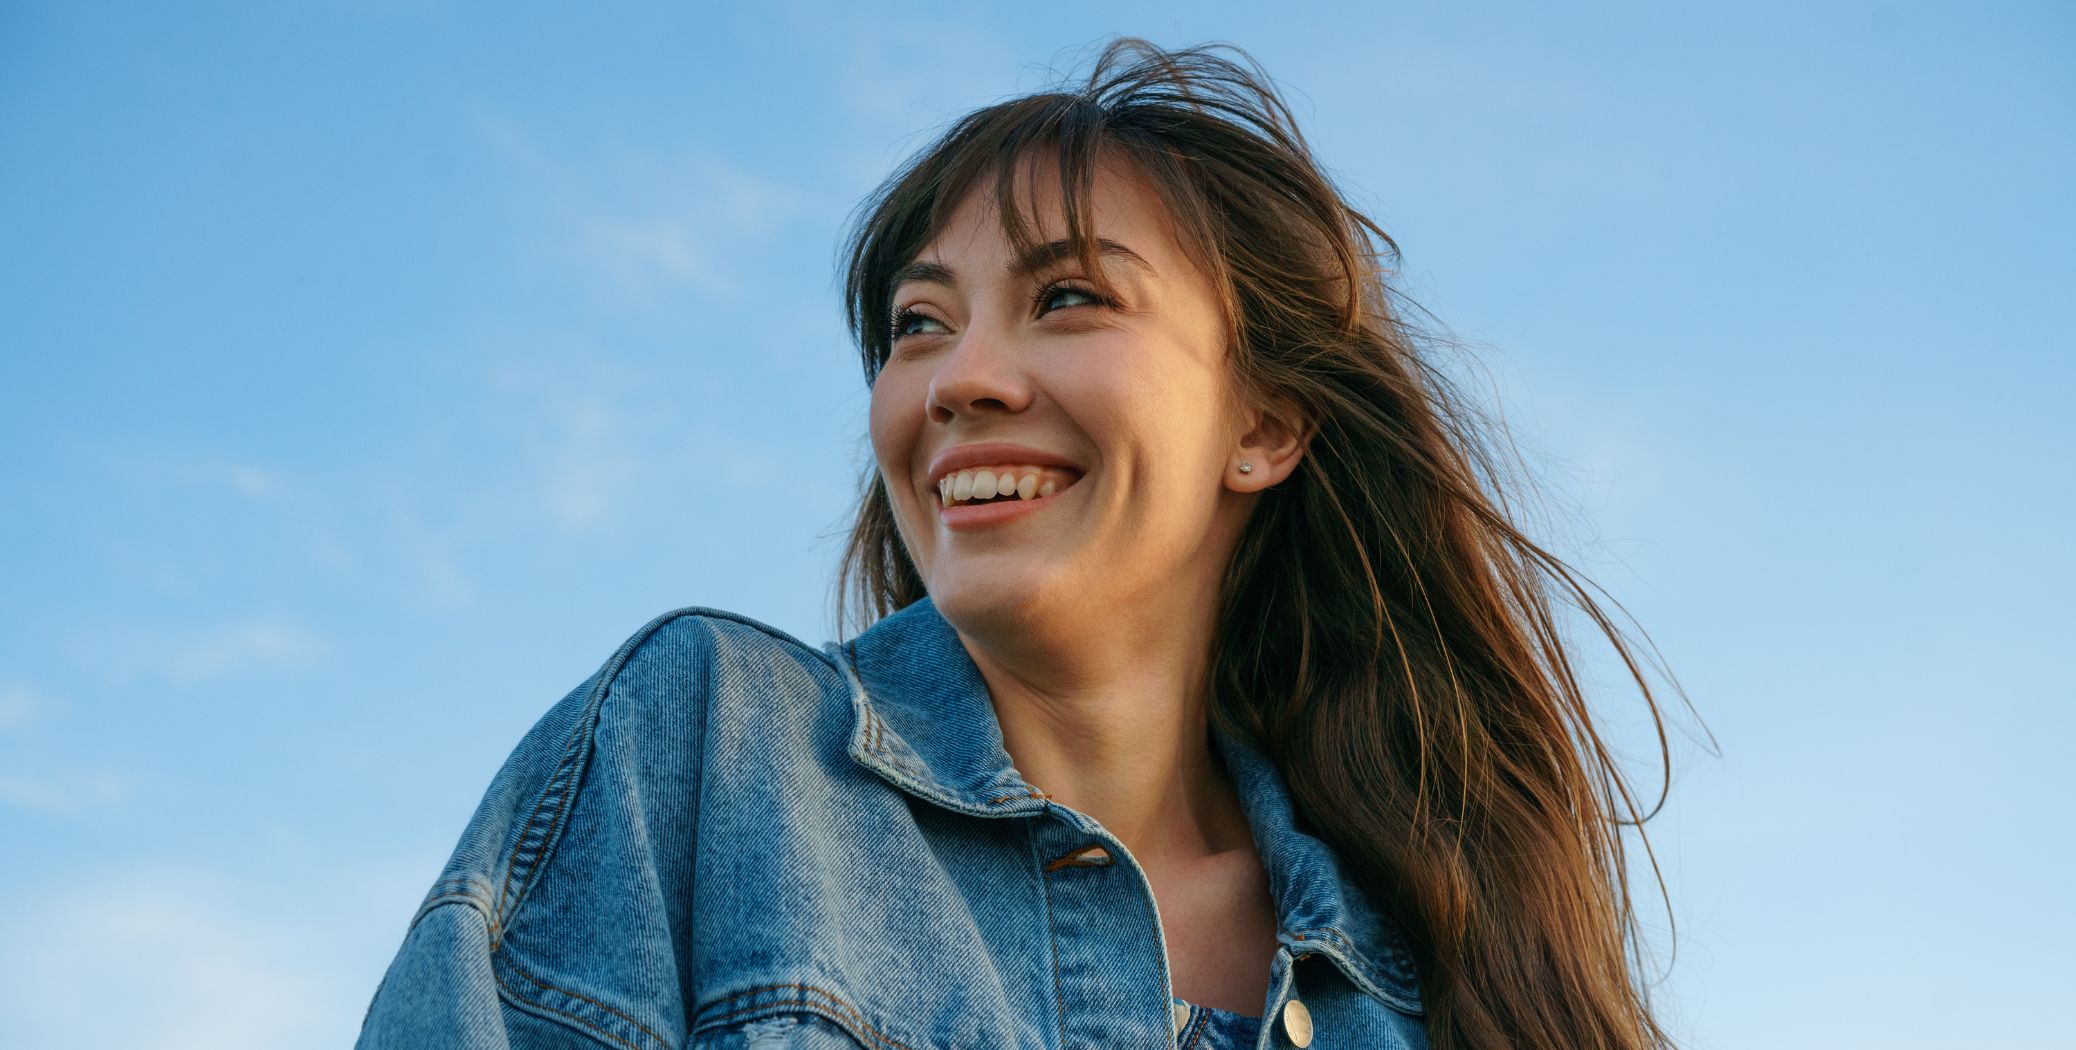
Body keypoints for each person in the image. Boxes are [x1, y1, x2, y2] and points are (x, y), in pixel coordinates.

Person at [358, 39, 1686, 1050]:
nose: (958, 380)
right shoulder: (705, 751)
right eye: (919, 325)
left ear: (1265, 424)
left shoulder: (1435, 967)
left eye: (1068, 296)